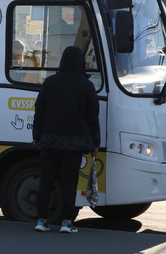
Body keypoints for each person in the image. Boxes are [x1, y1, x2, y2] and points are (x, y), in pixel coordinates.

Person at [32, 46, 100, 234]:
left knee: (46, 181)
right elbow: (92, 117)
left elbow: (40, 111)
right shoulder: (86, 85)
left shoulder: (50, 82)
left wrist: (36, 137)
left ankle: (41, 220)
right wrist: (95, 143)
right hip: (74, 145)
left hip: (50, 142)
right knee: (69, 184)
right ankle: (66, 222)